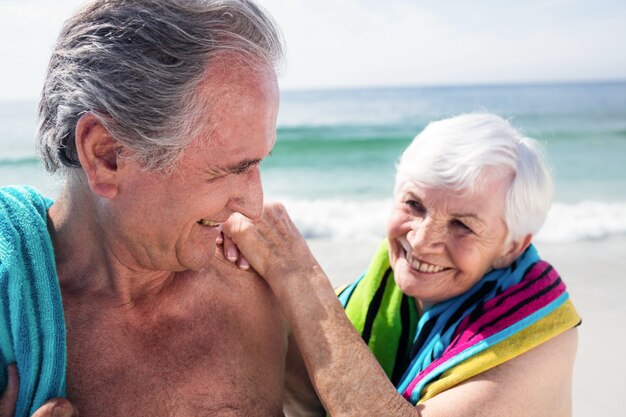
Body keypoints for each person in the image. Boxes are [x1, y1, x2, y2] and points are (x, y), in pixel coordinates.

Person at [0, 0, 289, 416]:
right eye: (231, 169)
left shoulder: (263, 291)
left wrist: (306, 286)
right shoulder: (9, 324)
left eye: (259, 162)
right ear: (107, 156)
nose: (254, 205)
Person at [223, 113, 581, 416]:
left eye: (462, 225)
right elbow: (308, 399)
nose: (422, 241)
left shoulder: (540, 340)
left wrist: (297, 273)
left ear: (512, 247)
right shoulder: (380, 291)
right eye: (414, 205)